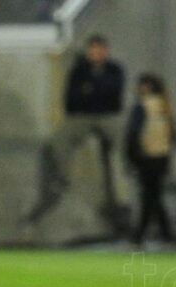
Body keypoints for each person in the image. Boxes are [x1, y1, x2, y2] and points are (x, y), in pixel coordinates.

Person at [31, 34, 126, 228]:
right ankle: (61, 178)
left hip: (107, 116)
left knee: (121, 141)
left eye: (99, 50)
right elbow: (72, 100)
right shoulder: (79, 70)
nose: (96, 54)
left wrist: (91, 90)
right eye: (93, 50)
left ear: (105, 51)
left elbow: (114, 97)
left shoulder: (115, 70)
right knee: (59, 140)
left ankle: (122, 189)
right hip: (82, 116)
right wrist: (94, 92)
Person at [125, 73, 175, 245]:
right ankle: (164, 233)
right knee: (154, 195)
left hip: (146, 156)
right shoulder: (165, 106)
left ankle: (140, 234)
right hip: (162, 156)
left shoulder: (142, 106)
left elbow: (133, 134)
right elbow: (173, 133)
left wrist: (130, 157)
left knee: (149, 196)